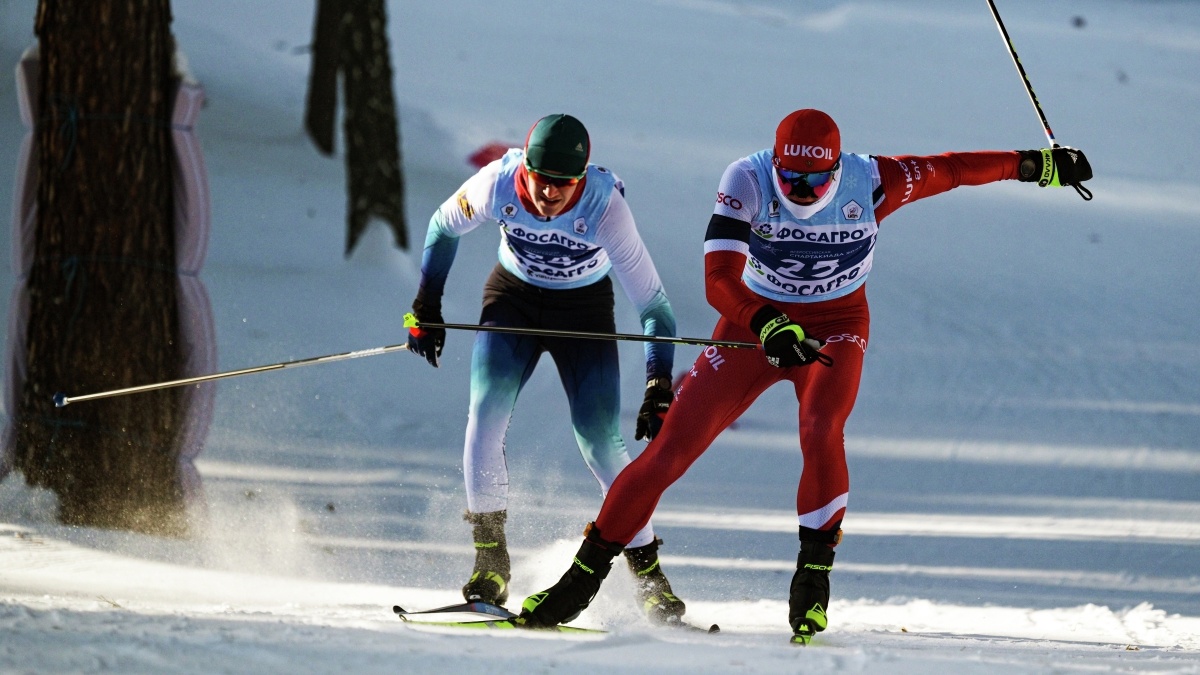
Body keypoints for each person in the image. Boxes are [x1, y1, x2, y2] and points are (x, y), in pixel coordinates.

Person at [513, 109, 1093, 643]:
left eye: (815, 183)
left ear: (837, 170)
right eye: (790, 179)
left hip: (836, 323)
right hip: (751, 322)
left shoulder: (873, 181)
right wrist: (764, 321)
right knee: (669, 452)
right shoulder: (747, 178)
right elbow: (718, 278)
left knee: (820, 430)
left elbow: (953, 170)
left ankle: (812, 584)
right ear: (774, 163)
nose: (800, 193)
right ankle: (580, 582)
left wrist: (1035, 166)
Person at [406, 113, 688, 624]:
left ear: (581, 179)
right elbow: (441, 226)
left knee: (603, 445)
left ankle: (650, 578)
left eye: (564, 185)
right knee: (485, 417)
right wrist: (426, 306)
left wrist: (658, 383)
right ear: (526, 169)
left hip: (583, 311)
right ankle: (490, 561)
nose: (550, 195)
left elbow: (655, 307)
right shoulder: (496, 182)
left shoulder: (605, 206)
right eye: (541, 181)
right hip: (512, 299)